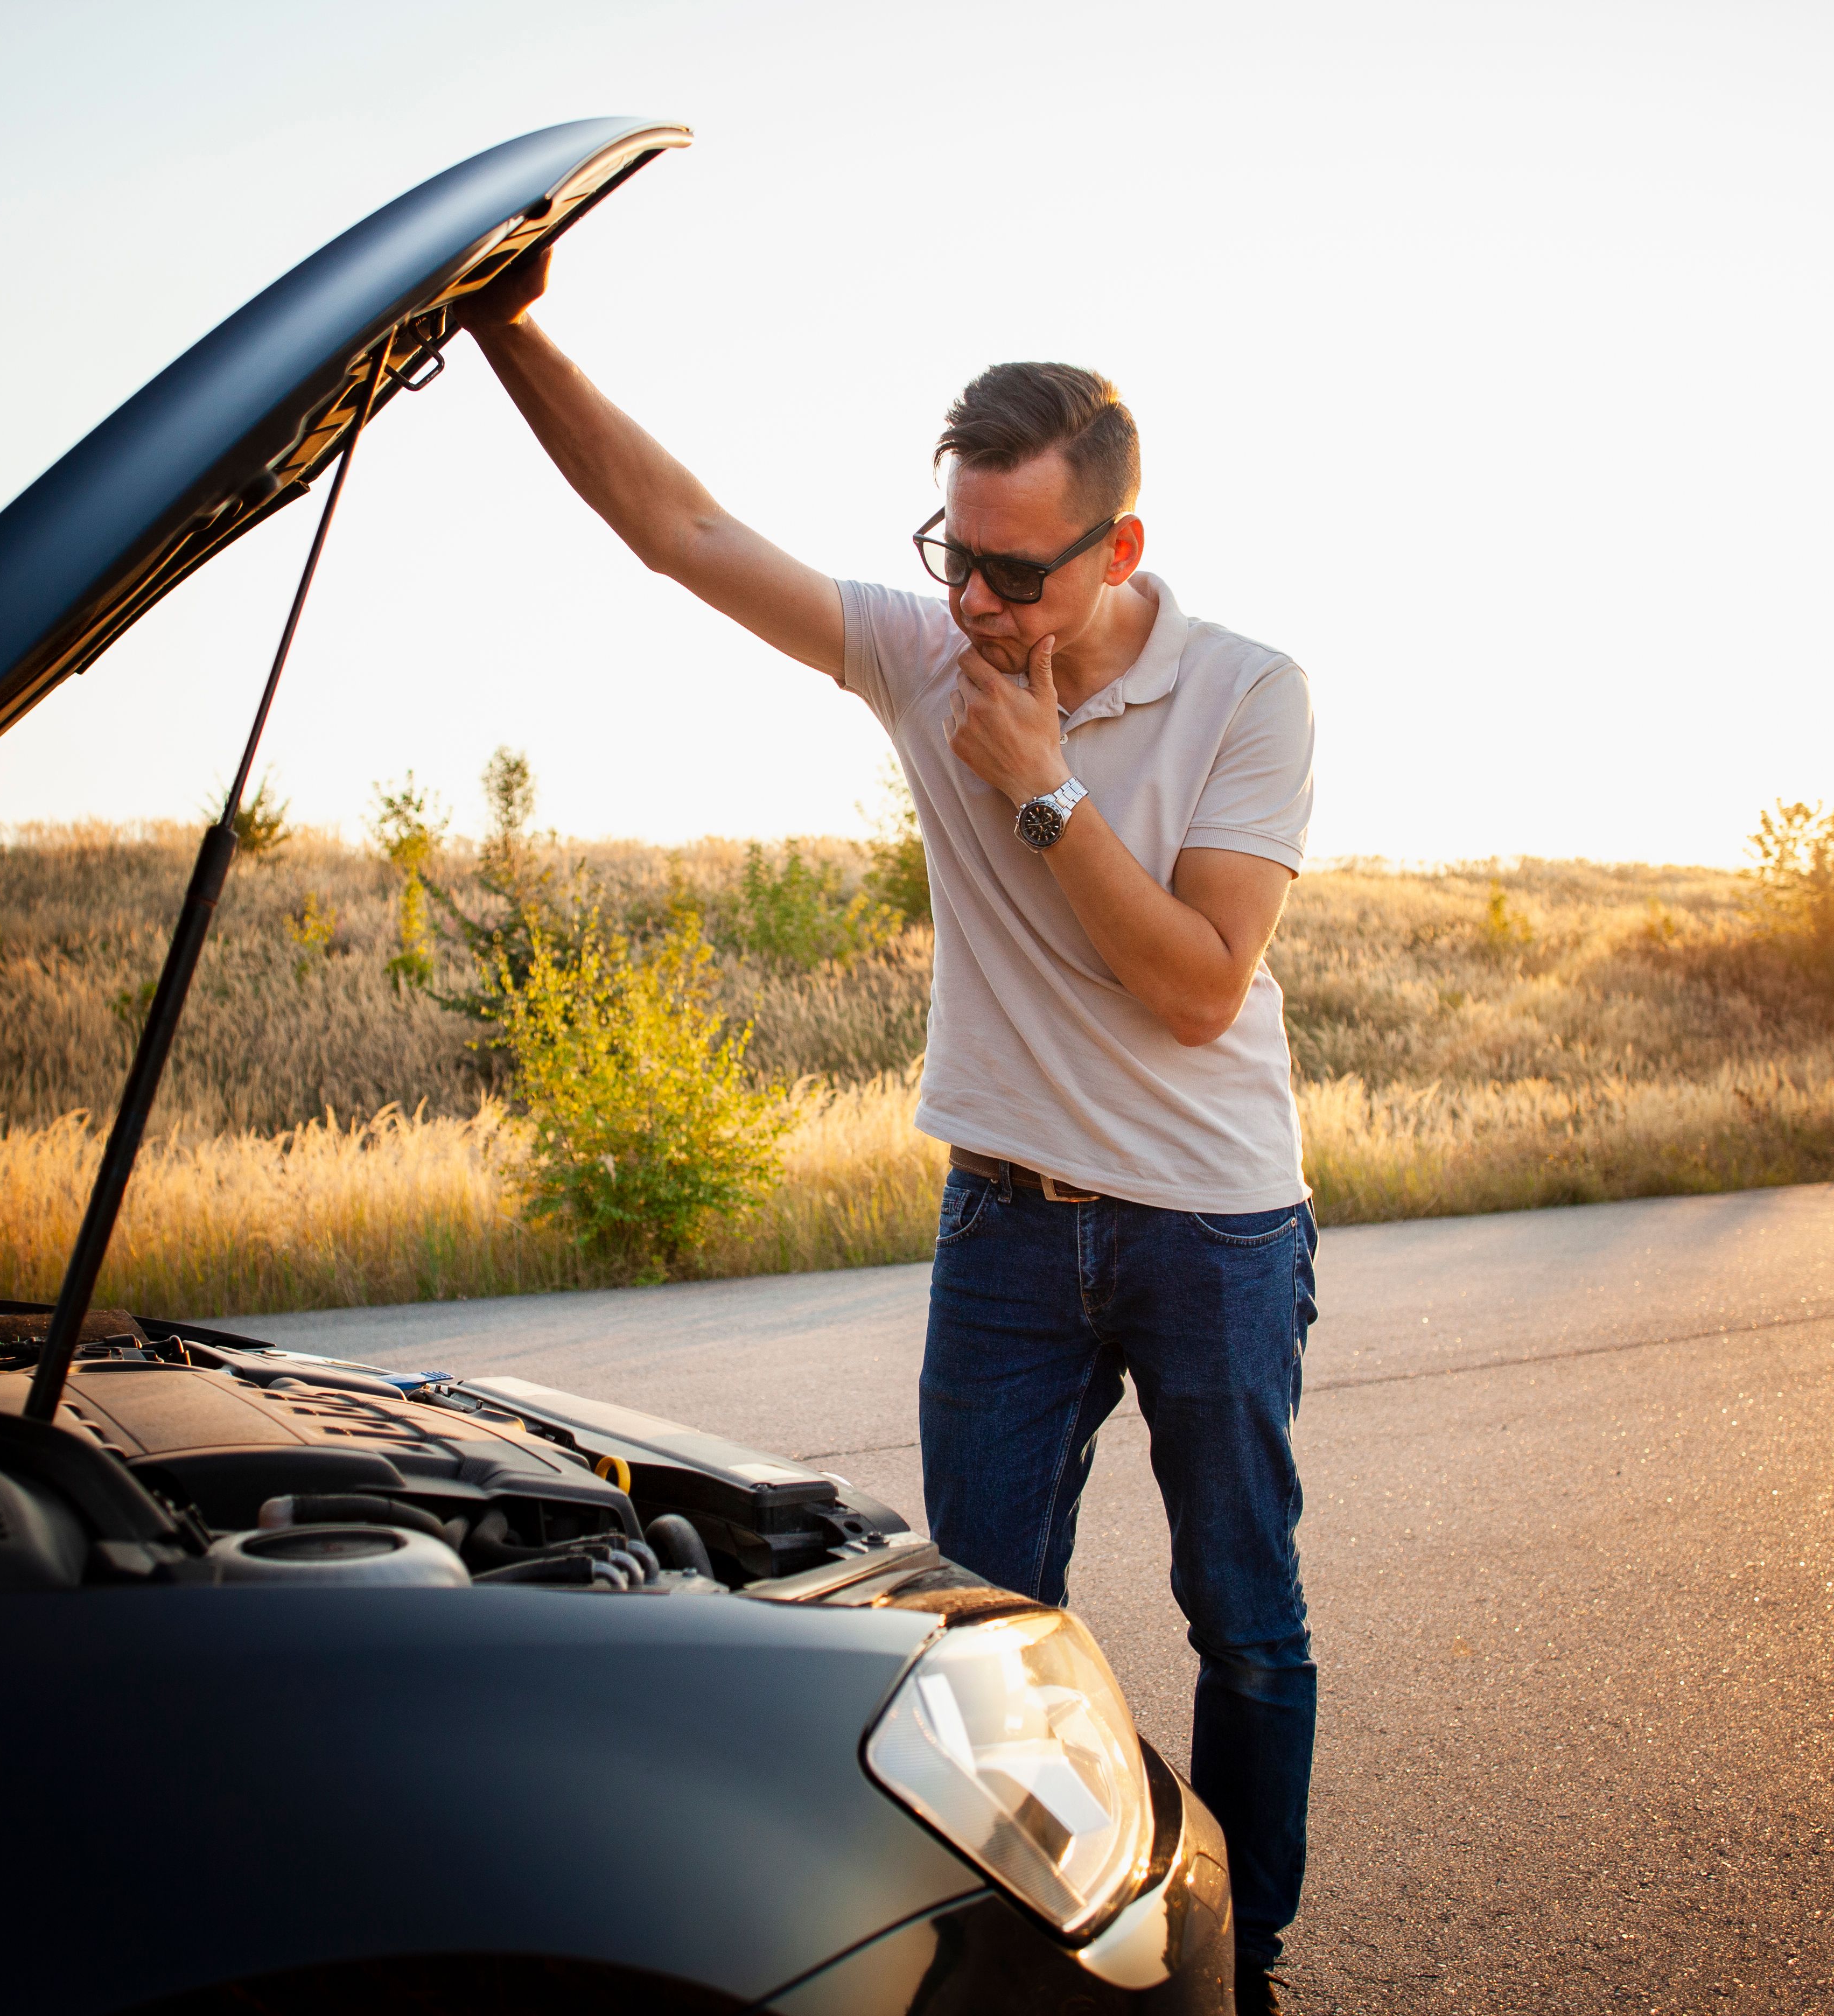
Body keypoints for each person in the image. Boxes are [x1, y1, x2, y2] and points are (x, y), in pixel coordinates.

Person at [464, 243, 1320, 2007]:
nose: (978, 608)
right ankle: (1024, 1981)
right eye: (957, 557)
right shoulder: (922, 651)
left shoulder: (1252, 694)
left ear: (1119, 550)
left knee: (1244, 1619)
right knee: (974, 1644)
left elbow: (1199, 987)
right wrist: (506, 328)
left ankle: (1255, 1965)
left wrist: (1043, 793)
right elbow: (682, 532)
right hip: (1006, 1226)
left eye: (1017, 573)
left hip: (1212, 1225)